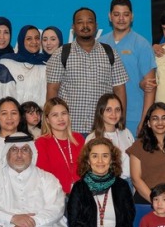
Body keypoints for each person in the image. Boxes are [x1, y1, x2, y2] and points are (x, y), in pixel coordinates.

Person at [46, 7, 129, 135]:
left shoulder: (110, 53)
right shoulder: (61, 54)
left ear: (96, 26)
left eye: (89, 22)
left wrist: (120, 119)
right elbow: (52, 90)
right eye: (80, 22)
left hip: (103, 129)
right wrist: (52, 124)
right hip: (69, 130)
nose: (85, 26)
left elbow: (119, 89)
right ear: (73, 27)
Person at [98, 0, 156, 136]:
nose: (121, 19)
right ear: (110, 16)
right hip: (104, 117)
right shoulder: (100, 43)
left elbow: (151, 86)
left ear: (132, 16)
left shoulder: (142, 45)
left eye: (126, 14)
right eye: (117, 14)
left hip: (133, 117)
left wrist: (144, 120)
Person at [35, 97, 86, 195]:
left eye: (64, 113)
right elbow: (43, 175)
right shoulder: (42, 142)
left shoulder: (78, 138)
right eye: (55, 115)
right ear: (47, 120)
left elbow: (87, 168)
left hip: (81, 195)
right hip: (56, 197)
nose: (60, 118)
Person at [1, 25, 51, 108]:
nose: (34, 42)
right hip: (13, 117)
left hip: (36, 117)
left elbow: (45, 98)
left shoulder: (46, 66)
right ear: (21, 41)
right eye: (29, 39)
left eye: (37, 38)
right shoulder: (7, 62)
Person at [89, 93, 134, 179]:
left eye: (117, 110)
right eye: (109, 110)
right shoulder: (93, 137)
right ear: (101, 112)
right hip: (107, 183)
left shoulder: (126, 133)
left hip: (130, 182)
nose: (114, 114)